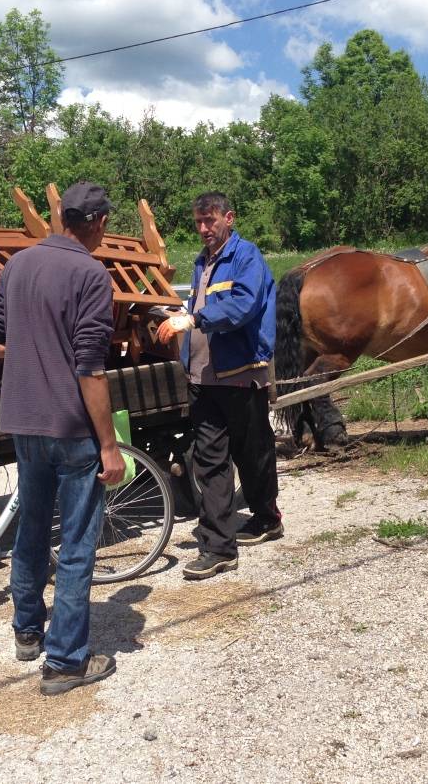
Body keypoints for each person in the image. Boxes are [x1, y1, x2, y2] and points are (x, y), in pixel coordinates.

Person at [0, 181, 125, 695]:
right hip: (70, 426)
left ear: (63, 216)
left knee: (32, 529)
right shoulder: (91, 274)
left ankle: (27, 631)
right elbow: (91, 368)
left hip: (23, 421)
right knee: (78, 543)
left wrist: (33, 346)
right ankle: (65, 662)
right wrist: (109, 444)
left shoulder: (16, 266)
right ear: (100, 224)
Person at [156, 192, 282, 580]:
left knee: (254, 452)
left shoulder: (246, 257)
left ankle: (266, 517)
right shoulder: (202, 262)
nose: (203, 229)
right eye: (198, 222)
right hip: (205, 378)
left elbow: (244, 306)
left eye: (210, 221)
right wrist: (180, 314)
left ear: (229, 218)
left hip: (240, 374)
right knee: (211, 461)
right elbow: (199, 307)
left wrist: (193, 321)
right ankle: (218, 546)